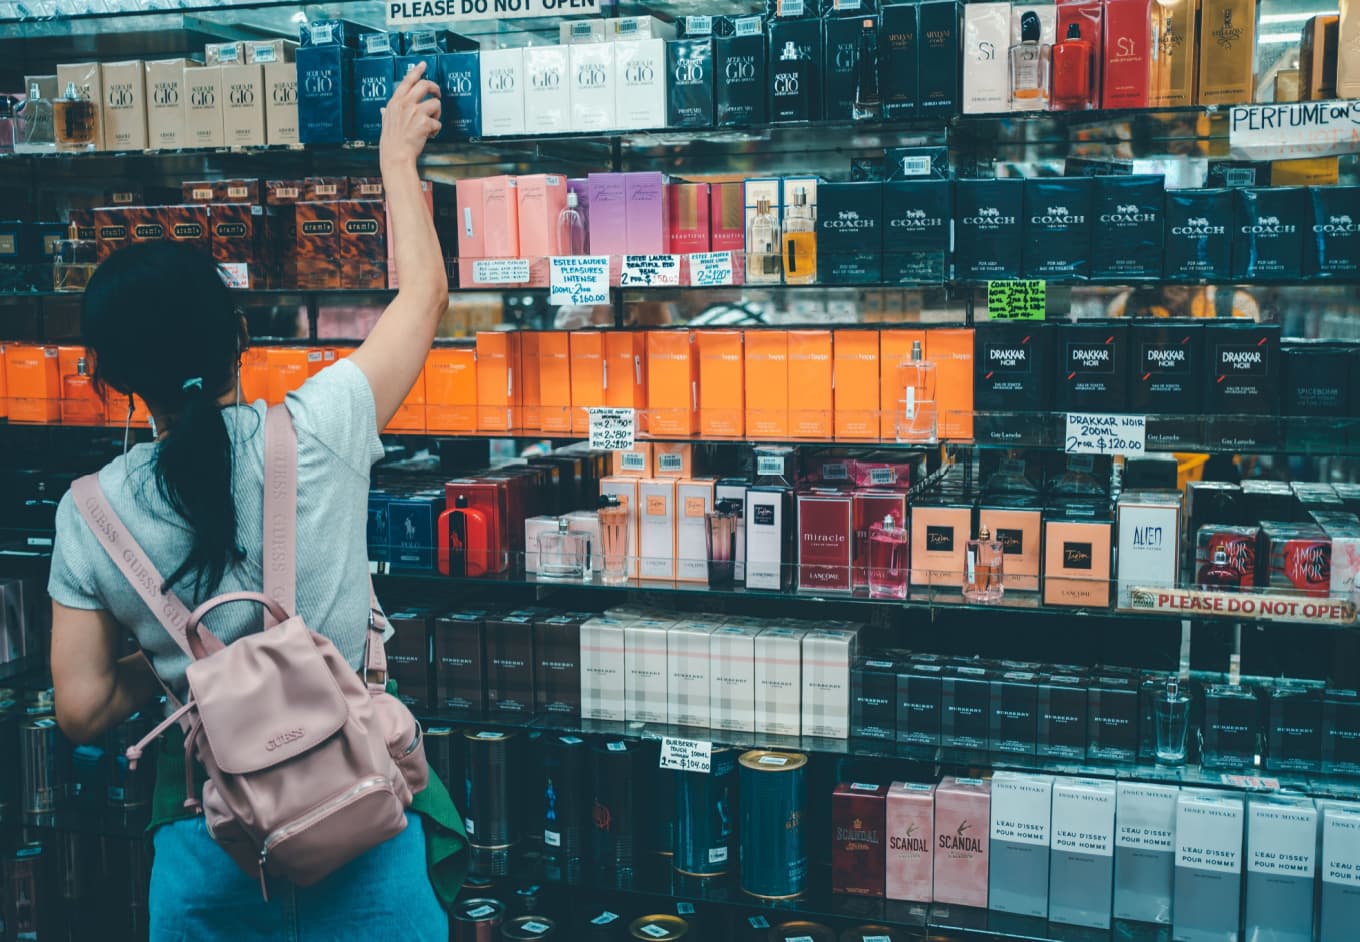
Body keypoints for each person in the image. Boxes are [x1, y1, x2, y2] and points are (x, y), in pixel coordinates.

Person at [46, 64, 452, 939]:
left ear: (107, 378)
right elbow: (423, 296)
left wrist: (192, 657)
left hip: (211, 845)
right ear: (238, 337)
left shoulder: (90, 512)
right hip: (361, 817)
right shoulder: (322, 426)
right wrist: (394, 158)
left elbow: (78, 709)